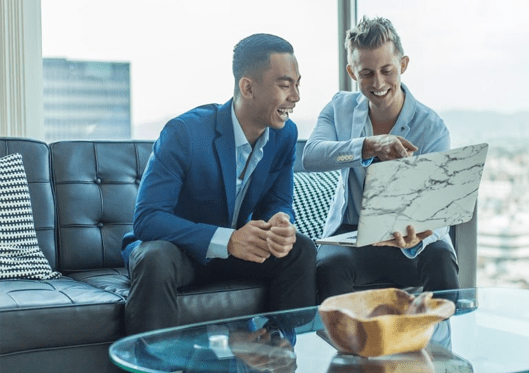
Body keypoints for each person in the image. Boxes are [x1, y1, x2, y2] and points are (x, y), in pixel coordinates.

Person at [121, 33, 316, 335]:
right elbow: (147, 219)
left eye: (297, 83)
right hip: (181, 252)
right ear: (248, 87)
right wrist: (227, 240)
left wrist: (280, 221)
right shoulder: (184, 133)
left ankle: (277, 355)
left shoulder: (285, 135)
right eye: (284, 84)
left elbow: (277, 201)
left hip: (235, 253)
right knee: (154, 258)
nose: (296, 96)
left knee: (299, 249)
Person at [302, 16, 459, 303]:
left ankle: (443, 346)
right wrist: (368, 146)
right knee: (329, 266)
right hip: (352, 236)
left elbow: (440, 211)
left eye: (387, 70)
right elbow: (311, 156)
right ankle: (344, 348)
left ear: (403, 64)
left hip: (410, 239)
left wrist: (419, 235)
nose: (378, 83)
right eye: (366, 73)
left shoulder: (432, 127)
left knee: (441, 258)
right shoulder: (339, 109)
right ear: (352, 72)